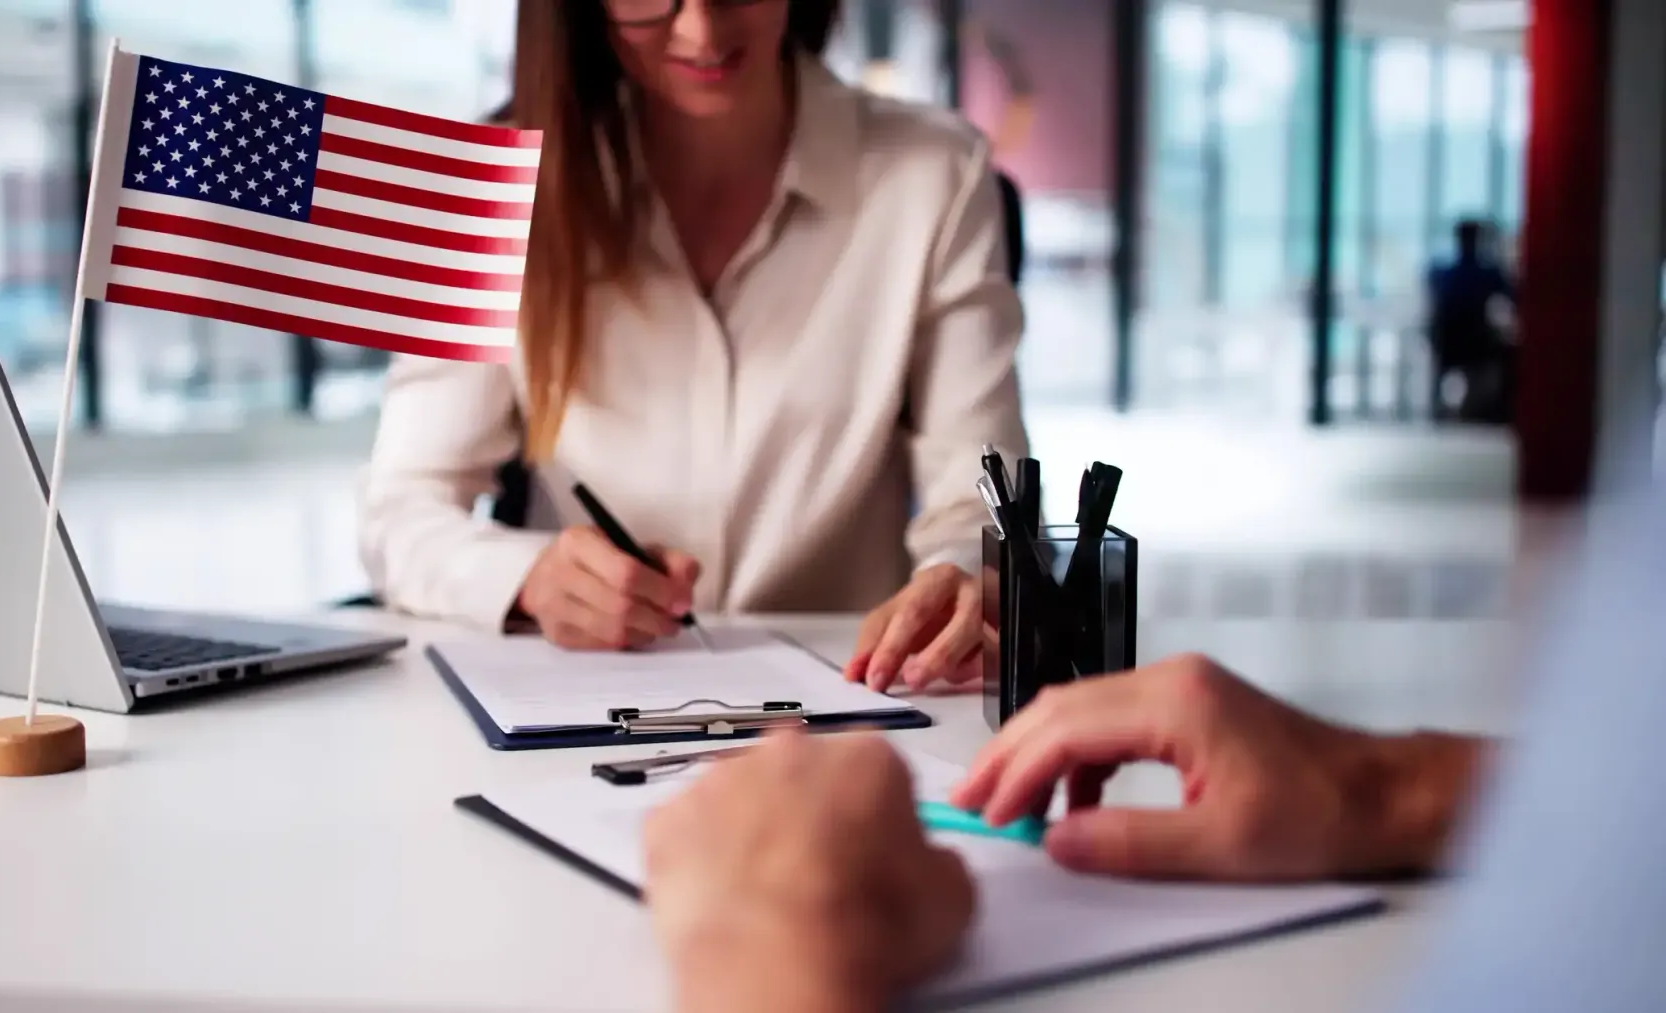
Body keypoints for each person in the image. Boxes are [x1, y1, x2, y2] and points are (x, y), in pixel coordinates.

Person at [643, 441, 1666, 1010]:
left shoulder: (926, 166)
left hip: (884, 678)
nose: (692, 38)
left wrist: (769, 949)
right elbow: (464, 500)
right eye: (637, 29)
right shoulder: (493, 149)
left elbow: (973, 481)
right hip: (566, 662)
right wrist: (1392, 786)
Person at [357, 0, 1030, 692]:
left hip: (851, 707)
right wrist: (526, 579)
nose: (701, 31)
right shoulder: (492, 185)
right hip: (583, 705)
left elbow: (982, 498)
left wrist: (959, 575)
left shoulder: (935, 174)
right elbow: (401, 514)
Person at [1426, 219, 1517, 423]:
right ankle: (1486, 411)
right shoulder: (1487, 274)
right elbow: (1512, 295)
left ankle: (1442, 412)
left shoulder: (1443, 273)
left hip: (1447, 343)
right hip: (1476, 343)